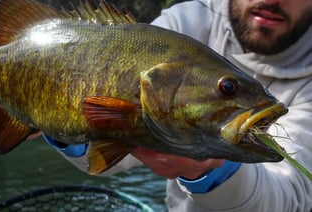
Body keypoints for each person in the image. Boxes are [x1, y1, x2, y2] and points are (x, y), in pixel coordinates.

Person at [42, 0, 312, 211]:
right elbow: (107, 160)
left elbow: (292, 195)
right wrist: (48, 112)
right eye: (227, 89)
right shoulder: (183, 23)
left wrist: (209, 170)